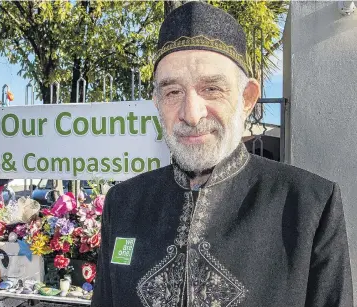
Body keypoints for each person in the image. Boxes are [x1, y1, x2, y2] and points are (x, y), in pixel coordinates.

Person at [91, 2, 353, 307]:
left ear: (247, 98)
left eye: (212, 89)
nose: (191, 114)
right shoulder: (123, 203)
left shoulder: (308, 205)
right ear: (157, 102)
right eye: (173, 92)